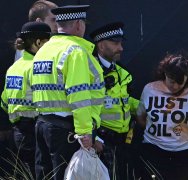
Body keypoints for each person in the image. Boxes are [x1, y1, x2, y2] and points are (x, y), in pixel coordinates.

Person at [30, 5, 105, 180]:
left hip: (42, 125)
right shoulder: (75, 51)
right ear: (79, 25)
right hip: (65, 130)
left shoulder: (43, 50)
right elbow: (78, 95)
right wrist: (85, 131)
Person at [136, 51, 188, 180]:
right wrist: (157, 133)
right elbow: (140, 116)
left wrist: (185, 138)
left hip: (184, 153)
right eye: (172, 82)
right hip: (153, 148)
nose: (176, 86)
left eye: (180, 82)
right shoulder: (150, 89)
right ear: (165, 74)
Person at [89, 22, 140, 179]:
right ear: (101, 46)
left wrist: (146, 107)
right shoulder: (88, 70)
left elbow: (124, 100)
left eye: (121, 43)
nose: (121, 48)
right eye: (115, 43)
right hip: (101, 142)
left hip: (123, 142)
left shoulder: (122, 72)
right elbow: (81, 105)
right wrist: (93, 138)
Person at [1, 22, 51, 178]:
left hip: (17, 132)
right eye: (47, 42)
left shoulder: (14, 67)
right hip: (35, 132)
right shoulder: (37, 67)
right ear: (37, 43)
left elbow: (4, 102)